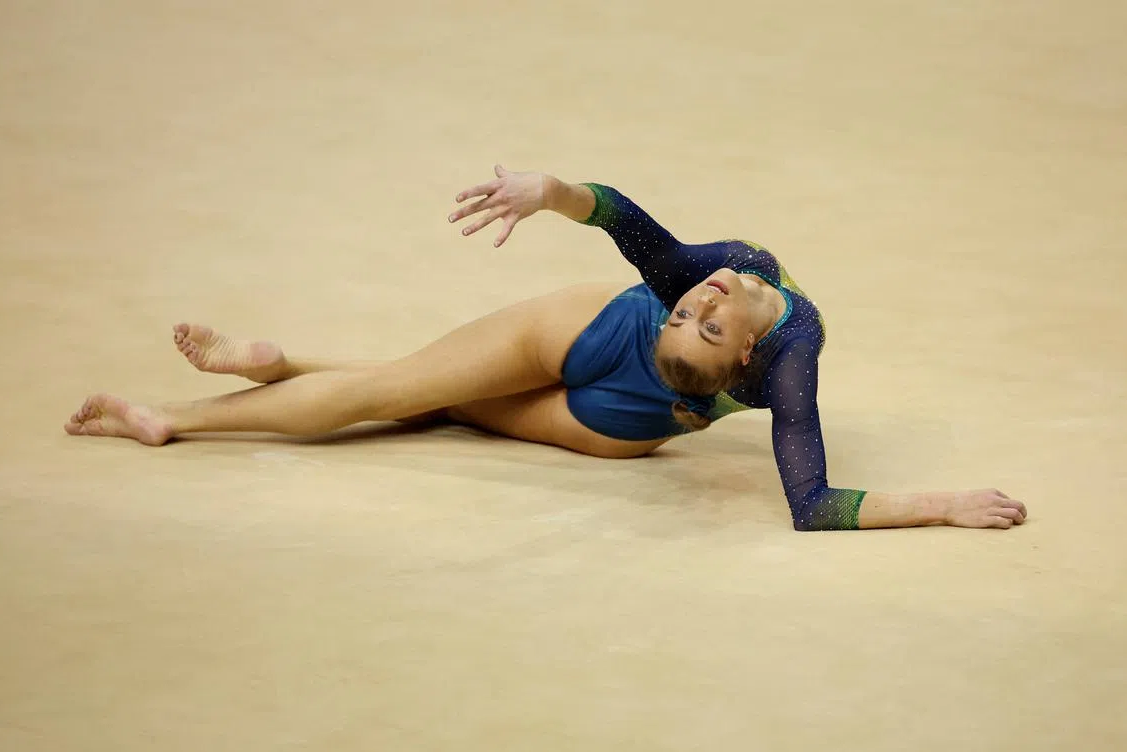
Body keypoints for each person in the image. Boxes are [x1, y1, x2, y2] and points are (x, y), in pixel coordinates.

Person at [65, 165, 1027, 531]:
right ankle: (231, 392)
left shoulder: (791, 361)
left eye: (703, 317)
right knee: (410, 392)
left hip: (615, 405)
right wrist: (550, 192)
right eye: (693, 305)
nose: (706, 292)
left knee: (409, 393)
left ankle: (243, 387)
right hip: (606, 375)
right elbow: (630, 224)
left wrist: (943, 505)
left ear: (744, 363)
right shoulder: (722, 278)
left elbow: (812, 503)